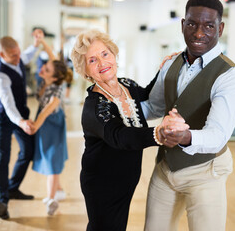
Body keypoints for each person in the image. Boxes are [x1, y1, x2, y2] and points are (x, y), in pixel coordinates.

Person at [142, 0, 235, 231]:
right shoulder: (171, 63)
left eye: (209, 26)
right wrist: (115, 107)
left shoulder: (230, 77)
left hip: (206, 171)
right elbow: (154, 107)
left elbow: (217, 135)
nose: (199, 33)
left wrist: (184, 137)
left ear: (220, 28)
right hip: (167, 167)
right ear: (183, 25)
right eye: (192, 24)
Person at [70, 29, 187, 231]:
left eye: (105, 54)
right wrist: (158, 133)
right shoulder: (95, 106)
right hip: (102, 183)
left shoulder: (126, 85)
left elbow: (150, 93)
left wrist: (165, 69)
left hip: (126, 178)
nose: (102, 63)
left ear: (114, 54)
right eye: (92, 60)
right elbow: (120, 136)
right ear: (86, 71)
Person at [0, 29, 44, 219]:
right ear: (2, 54)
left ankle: (13, 188)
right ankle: (3, 199)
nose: (18, 58)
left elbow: (27, 56)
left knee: (28, 151)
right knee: (3, 157)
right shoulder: (0, 75)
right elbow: (8, 105)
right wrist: (21, 122)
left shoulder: (18, 58)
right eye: (13, 55)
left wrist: (36, 43)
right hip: (5, 118)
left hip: (21, 116)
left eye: (18, 53)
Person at [30, 37, 72, 216]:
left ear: (53, 77)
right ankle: (59, 190)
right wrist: (42, 42)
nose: (42, 69)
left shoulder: (56, 92)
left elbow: (44, 113)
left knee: (52, 162)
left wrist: (33, 127)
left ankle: (51, 198)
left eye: (45, 69)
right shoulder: (50, 77)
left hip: (52, 126)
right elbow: (51, 56)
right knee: (50, 158)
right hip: (46, 126)